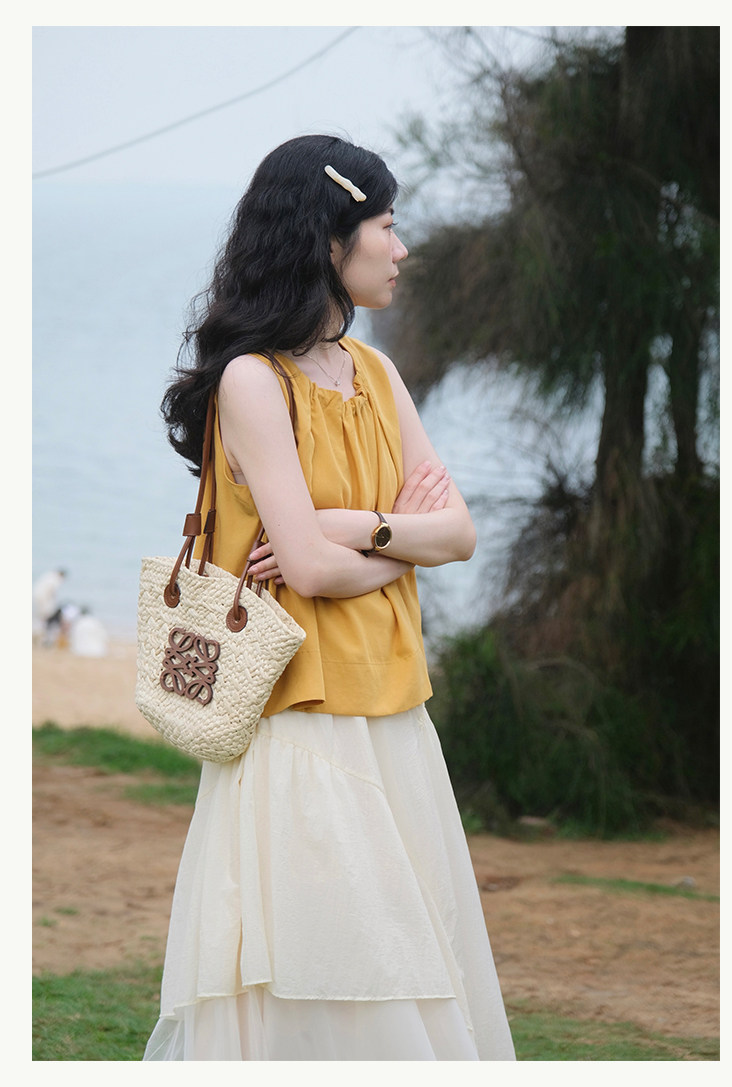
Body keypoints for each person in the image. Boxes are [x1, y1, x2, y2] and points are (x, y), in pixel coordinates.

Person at [142, 134, 515, 1062]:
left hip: (396, 714)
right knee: (339, 973)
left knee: (410, 963)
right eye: (386, 225)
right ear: (329, 240)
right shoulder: (251, 380)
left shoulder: (375, 373)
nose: (401, 247)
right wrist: (398, 541)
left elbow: (460, 534)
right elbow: (306, 571)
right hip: (301, 722)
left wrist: (354, 526)